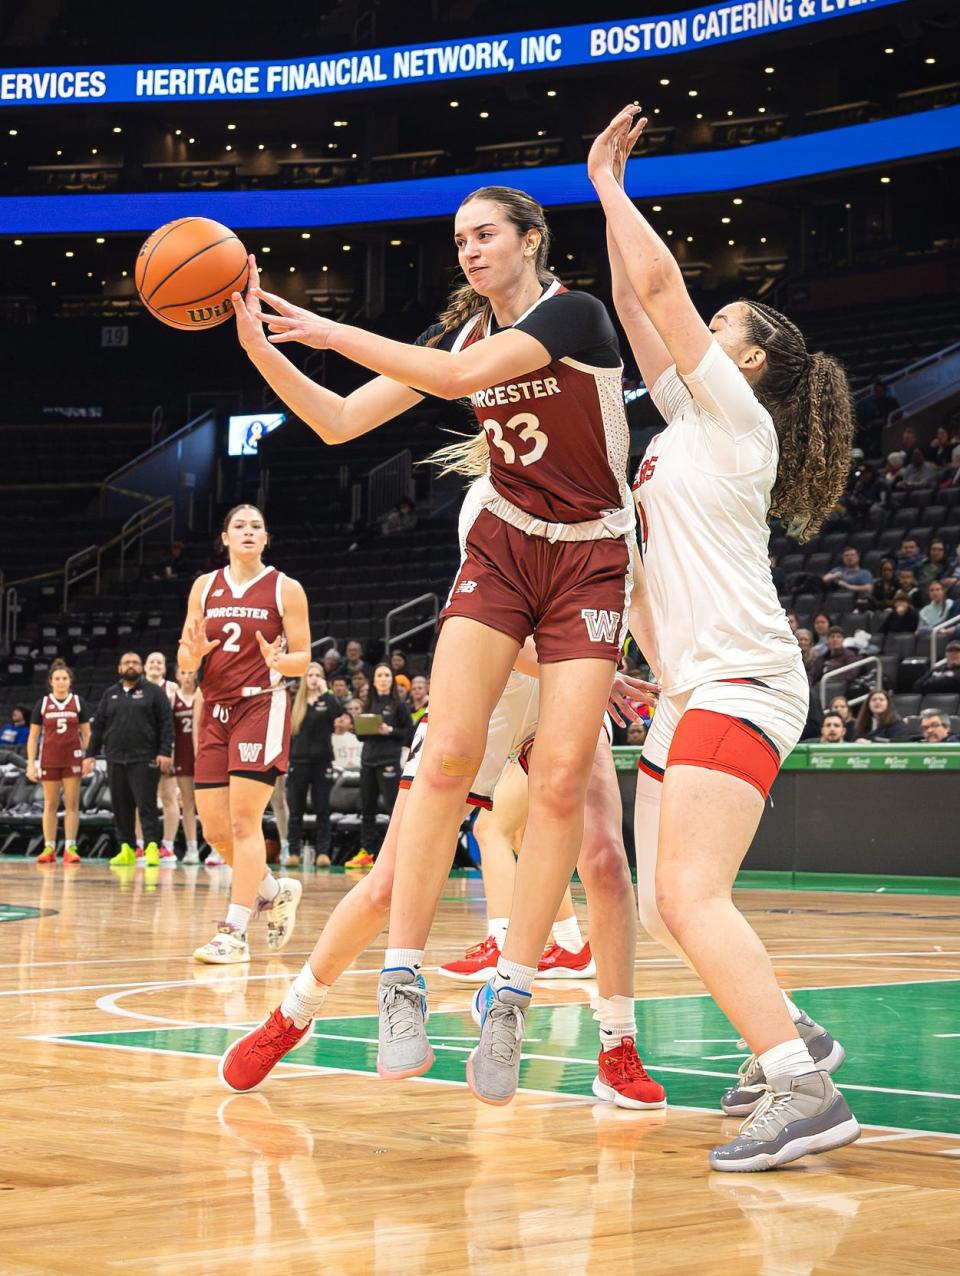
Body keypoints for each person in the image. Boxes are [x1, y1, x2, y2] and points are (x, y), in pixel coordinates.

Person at [231, 180, 641, 1109]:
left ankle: (513, 996)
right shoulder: (460, 341)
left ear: (531, 239)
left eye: (486, 233)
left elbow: (457, 384)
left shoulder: (574, 316)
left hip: (590, 559)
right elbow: (338, 421)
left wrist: (329, 330)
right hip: (504, 549)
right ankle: (399, 982)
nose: (469, 249)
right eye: (459, 239)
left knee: (566, 789)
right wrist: (263, 347)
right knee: (449, 755)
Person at [591, 106, 857, 1169]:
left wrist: (612, 187)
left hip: (743, 678)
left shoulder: (740, 425)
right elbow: (629, 296)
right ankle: (799, 1029)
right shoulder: (687, 422)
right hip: (691, 684)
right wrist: (637, 660)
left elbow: (659, 290)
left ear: (745, 363)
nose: (701, 325)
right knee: (665, 908)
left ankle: (804, 1089)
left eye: (722, 323)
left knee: (692, 895)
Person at [219, 631, 665, 1112]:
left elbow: (639, 598)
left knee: (605, 863)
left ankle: (617, 1043)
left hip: (572, 688)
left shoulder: (628, 553)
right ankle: (292, 1015)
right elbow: (499, 610)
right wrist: (590, 670)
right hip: (495, 677)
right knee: (389, 882)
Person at [178, 504, 311, 965]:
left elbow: (304, 658)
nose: (249, 531)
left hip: (261, 703)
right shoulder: (204, 586)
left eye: (257, 526)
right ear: (225, 537)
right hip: (213, 708)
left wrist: (280, 661)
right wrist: (191, 656)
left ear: (266, 537)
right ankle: (273, 891)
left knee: (242, 821)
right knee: (215, 829)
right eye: (240, 526)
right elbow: (185, 660)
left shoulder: (285, 588)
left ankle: (233, 931)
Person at [83, 652, 173, 866]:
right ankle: (127, 848)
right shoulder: (110, 694)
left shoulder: (154, 693)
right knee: (121, 807)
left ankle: (152, 847)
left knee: (146, 806)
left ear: (141, 667)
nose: (130, 666)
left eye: (134, 662)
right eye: (126, 663)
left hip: (145, 758)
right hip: (115, 758)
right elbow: (98, 728)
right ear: (119, 668)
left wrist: (164, 752)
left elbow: (166, 724)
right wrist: (90, 755)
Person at [347, 663, 413, 871]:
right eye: (379, 675)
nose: (383, 678)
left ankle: (397, 853)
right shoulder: (368, 704)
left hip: (388, 762)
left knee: (394, 808)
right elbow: (360, 736)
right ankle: (366, 852)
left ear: (391, 679)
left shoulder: (399, 705)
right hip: (368, 761)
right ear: (374, 680)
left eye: (387, 675)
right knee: (367, 810)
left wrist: (389, 730)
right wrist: (361, 727)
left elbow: (409, 734)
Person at [27, 660, 90, 864]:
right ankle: (49, 848)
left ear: (70, 682)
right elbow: (33, 737)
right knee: (50, 804)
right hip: (49, 759)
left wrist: (89, 757)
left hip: (72, 758)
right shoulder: (43, 704)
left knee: (72, 804)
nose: (61, 682)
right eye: (57, 679)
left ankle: (70, 847)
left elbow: (87, 734)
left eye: (64, 678)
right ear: (51, 682)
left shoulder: (78, 702)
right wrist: (30, 763)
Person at [287, 662, 339, 869]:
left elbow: (339, 713)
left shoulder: (327, 701)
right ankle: (293, 852)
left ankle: (323, 853)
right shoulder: (295, 703)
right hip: (298, 762)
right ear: (304, 678)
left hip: (322, 762)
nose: (314, 678)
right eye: (310, 675)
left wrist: (326, 692)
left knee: (322, 809)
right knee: (296, 810)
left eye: (318, 675)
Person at [142, 651, 181, 864]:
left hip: (166, 749)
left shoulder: (173, 689)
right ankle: (140, 845)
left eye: (159, 662)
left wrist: (170, 749)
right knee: (141, 800)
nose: (155, 665)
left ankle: (168, 845)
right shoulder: (136, 688)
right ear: (145, 667)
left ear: (164, 668)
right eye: (151, 661)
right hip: (142, 750)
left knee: (168, 797)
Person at [170, 665, 200, 864]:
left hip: (202, 755)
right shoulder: (173, 698)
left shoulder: (202, 694)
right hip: (181, 755)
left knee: (207, 805)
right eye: (184, 672)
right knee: (187, 804)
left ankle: (216, 849)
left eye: (190, 672)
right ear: (177, 676)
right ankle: (192, 848)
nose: (187, 676)